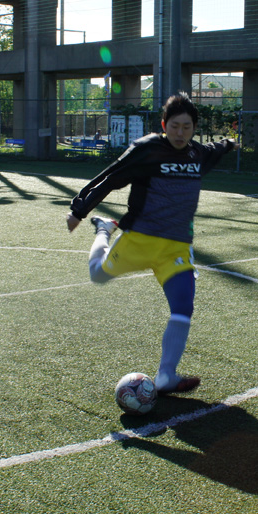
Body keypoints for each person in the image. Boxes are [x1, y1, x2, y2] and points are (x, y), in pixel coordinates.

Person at [65, 92, 238, 394]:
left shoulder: (197, 154)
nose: (180, 133)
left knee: (183, 307)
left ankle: (166, 376)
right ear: (163, 125)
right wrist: (79, 210)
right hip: (139, 239)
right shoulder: (147, 149)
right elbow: (111, 177)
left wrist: (230, 143)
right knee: (97, 275)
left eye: (186, 127)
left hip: (176, 248)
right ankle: (104, 230)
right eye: (175, 126)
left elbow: (216, 148)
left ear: (194, 128)